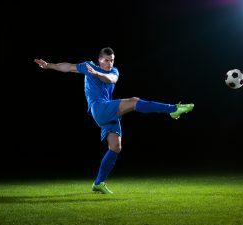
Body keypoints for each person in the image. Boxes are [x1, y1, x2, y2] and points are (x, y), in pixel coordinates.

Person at [34, 47, 194, 194]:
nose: (110, 63)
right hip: (98, 108)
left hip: (108, 111)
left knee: (116, 147)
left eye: (112, 60)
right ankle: (172, 109)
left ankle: (98, 183)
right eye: (106, 60)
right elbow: (68, 67)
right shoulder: (87, 66)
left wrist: (96, 74)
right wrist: (48, 65)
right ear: (99, 60)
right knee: (134, 101)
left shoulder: (114, 71)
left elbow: (109, 79)